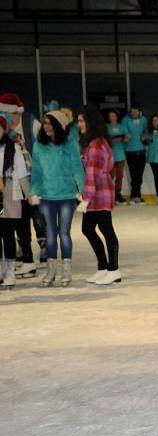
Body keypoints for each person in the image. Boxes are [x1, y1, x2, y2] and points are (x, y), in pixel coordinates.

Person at [29, 110, 85, 288]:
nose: (45, 126)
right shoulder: (39, 145)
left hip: (67, 195)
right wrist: (33, 191)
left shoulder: (69, 144)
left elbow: (77, 168)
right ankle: (51, 270)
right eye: (44, 122)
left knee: (64, 233)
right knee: (50, 234)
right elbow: (37, 172)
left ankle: (66, 269)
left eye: (49, 122)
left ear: (58, 125)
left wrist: (83, 190)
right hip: (46, 196)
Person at [77, 107, 122, 285]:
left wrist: (85, 198)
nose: (79, 124)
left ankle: (113, 269)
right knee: (88, 228)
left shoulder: (97, 145)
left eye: (81, 121)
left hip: (99, 194)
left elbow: (92, 173)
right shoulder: (97, 142)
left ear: (91, 123)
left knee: (106, 230)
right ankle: (103, 267)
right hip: (96, 192)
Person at [0, 93, 42, 278]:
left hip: (23, 185)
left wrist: (31, 191)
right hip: (8, 190)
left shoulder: (29, 124)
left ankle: (30, 257)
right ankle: (22, 260)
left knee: (25, 221)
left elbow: (26, 165)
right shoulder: (8, 134)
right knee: (14, 226)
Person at [0, 112, 29, 290]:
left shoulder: (13, 148)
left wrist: (29, 194)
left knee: (7, 232)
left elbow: (22, 173)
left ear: (4, 129)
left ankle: (10, 270)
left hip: (9, 192)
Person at [122, 103, 147, 205]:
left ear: (139, 112)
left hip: (141, 150)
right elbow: (124, 130)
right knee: (133, 174)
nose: (133, 113)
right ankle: (135, 196)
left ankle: (136, 195)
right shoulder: (125, 120)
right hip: (130, 151)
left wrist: (145, 136)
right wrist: (126, 136)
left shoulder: (143, 120)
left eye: (135, 111)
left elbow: (146, 130)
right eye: (132, 111)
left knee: (139, 175)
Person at [106, 109, 128, 204]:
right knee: (110, 176)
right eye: (110, 116)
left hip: (120, 155)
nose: (112, 118)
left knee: (120, 176)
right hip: (110, 156)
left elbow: (126, 138)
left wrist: (121, 138)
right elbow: (107, 140)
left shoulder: (121, 127)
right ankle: (110, 194)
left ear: (116, 117)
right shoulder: (106, 127)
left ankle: (117, 193)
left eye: (113, 116)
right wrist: (118, 138)